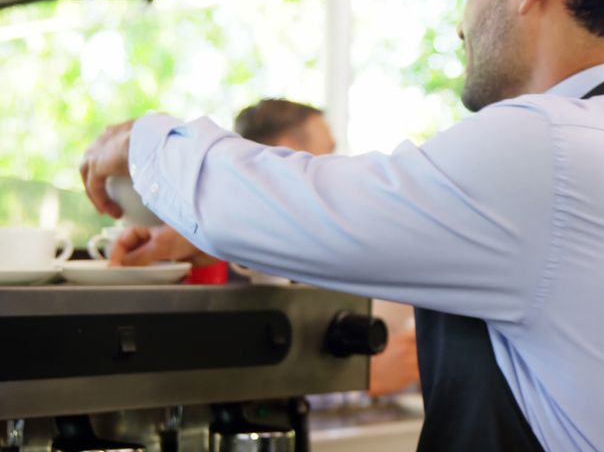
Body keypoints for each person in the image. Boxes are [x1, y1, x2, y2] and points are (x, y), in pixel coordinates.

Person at [81, 0, 604, 452]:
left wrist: (144, 142)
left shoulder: (548, 151)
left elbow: (321, 204)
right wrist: (214, 245)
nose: (462, 24)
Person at [110, 99, 420, 398]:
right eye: (328, 154)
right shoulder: (213, 273)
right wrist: (365, 382)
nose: (336, 168)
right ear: (290, 155)